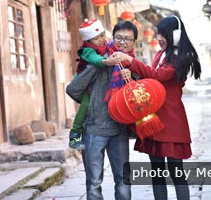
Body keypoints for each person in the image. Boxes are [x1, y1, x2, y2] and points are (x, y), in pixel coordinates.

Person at [110, 15, 201, 200]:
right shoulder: (161, 54)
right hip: (154, 118)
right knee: (157, 174)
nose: (158, 38)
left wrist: (130, 61)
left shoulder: (180, 58)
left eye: (163, 34)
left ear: (174, 35)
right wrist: (134, 77)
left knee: (177, 173)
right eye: (158, 34)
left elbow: (157, 75)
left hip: (172, 121)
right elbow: (151, 82)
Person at [66, 20, 138, 200]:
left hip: (119, 129)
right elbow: (73, 88)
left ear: (133, 42)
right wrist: (101, 65)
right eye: (119, 38)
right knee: (94, 182)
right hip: (93, 130)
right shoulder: (94, 58)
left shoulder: (130, 62)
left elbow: (140, 93)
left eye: (127, 39)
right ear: (112, 38)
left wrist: (131, 78)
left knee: (123, 179)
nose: (122, 43)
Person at [69, 18, 115, 150]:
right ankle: (75, 133)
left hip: (97, 85)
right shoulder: (86, 50)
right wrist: (106, 61)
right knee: (85, 105)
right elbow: (95, 59)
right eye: (96, 38)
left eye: (102, 35)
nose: (101, 39)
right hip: (85, 84)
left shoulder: (107, 46)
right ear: (88, 41)